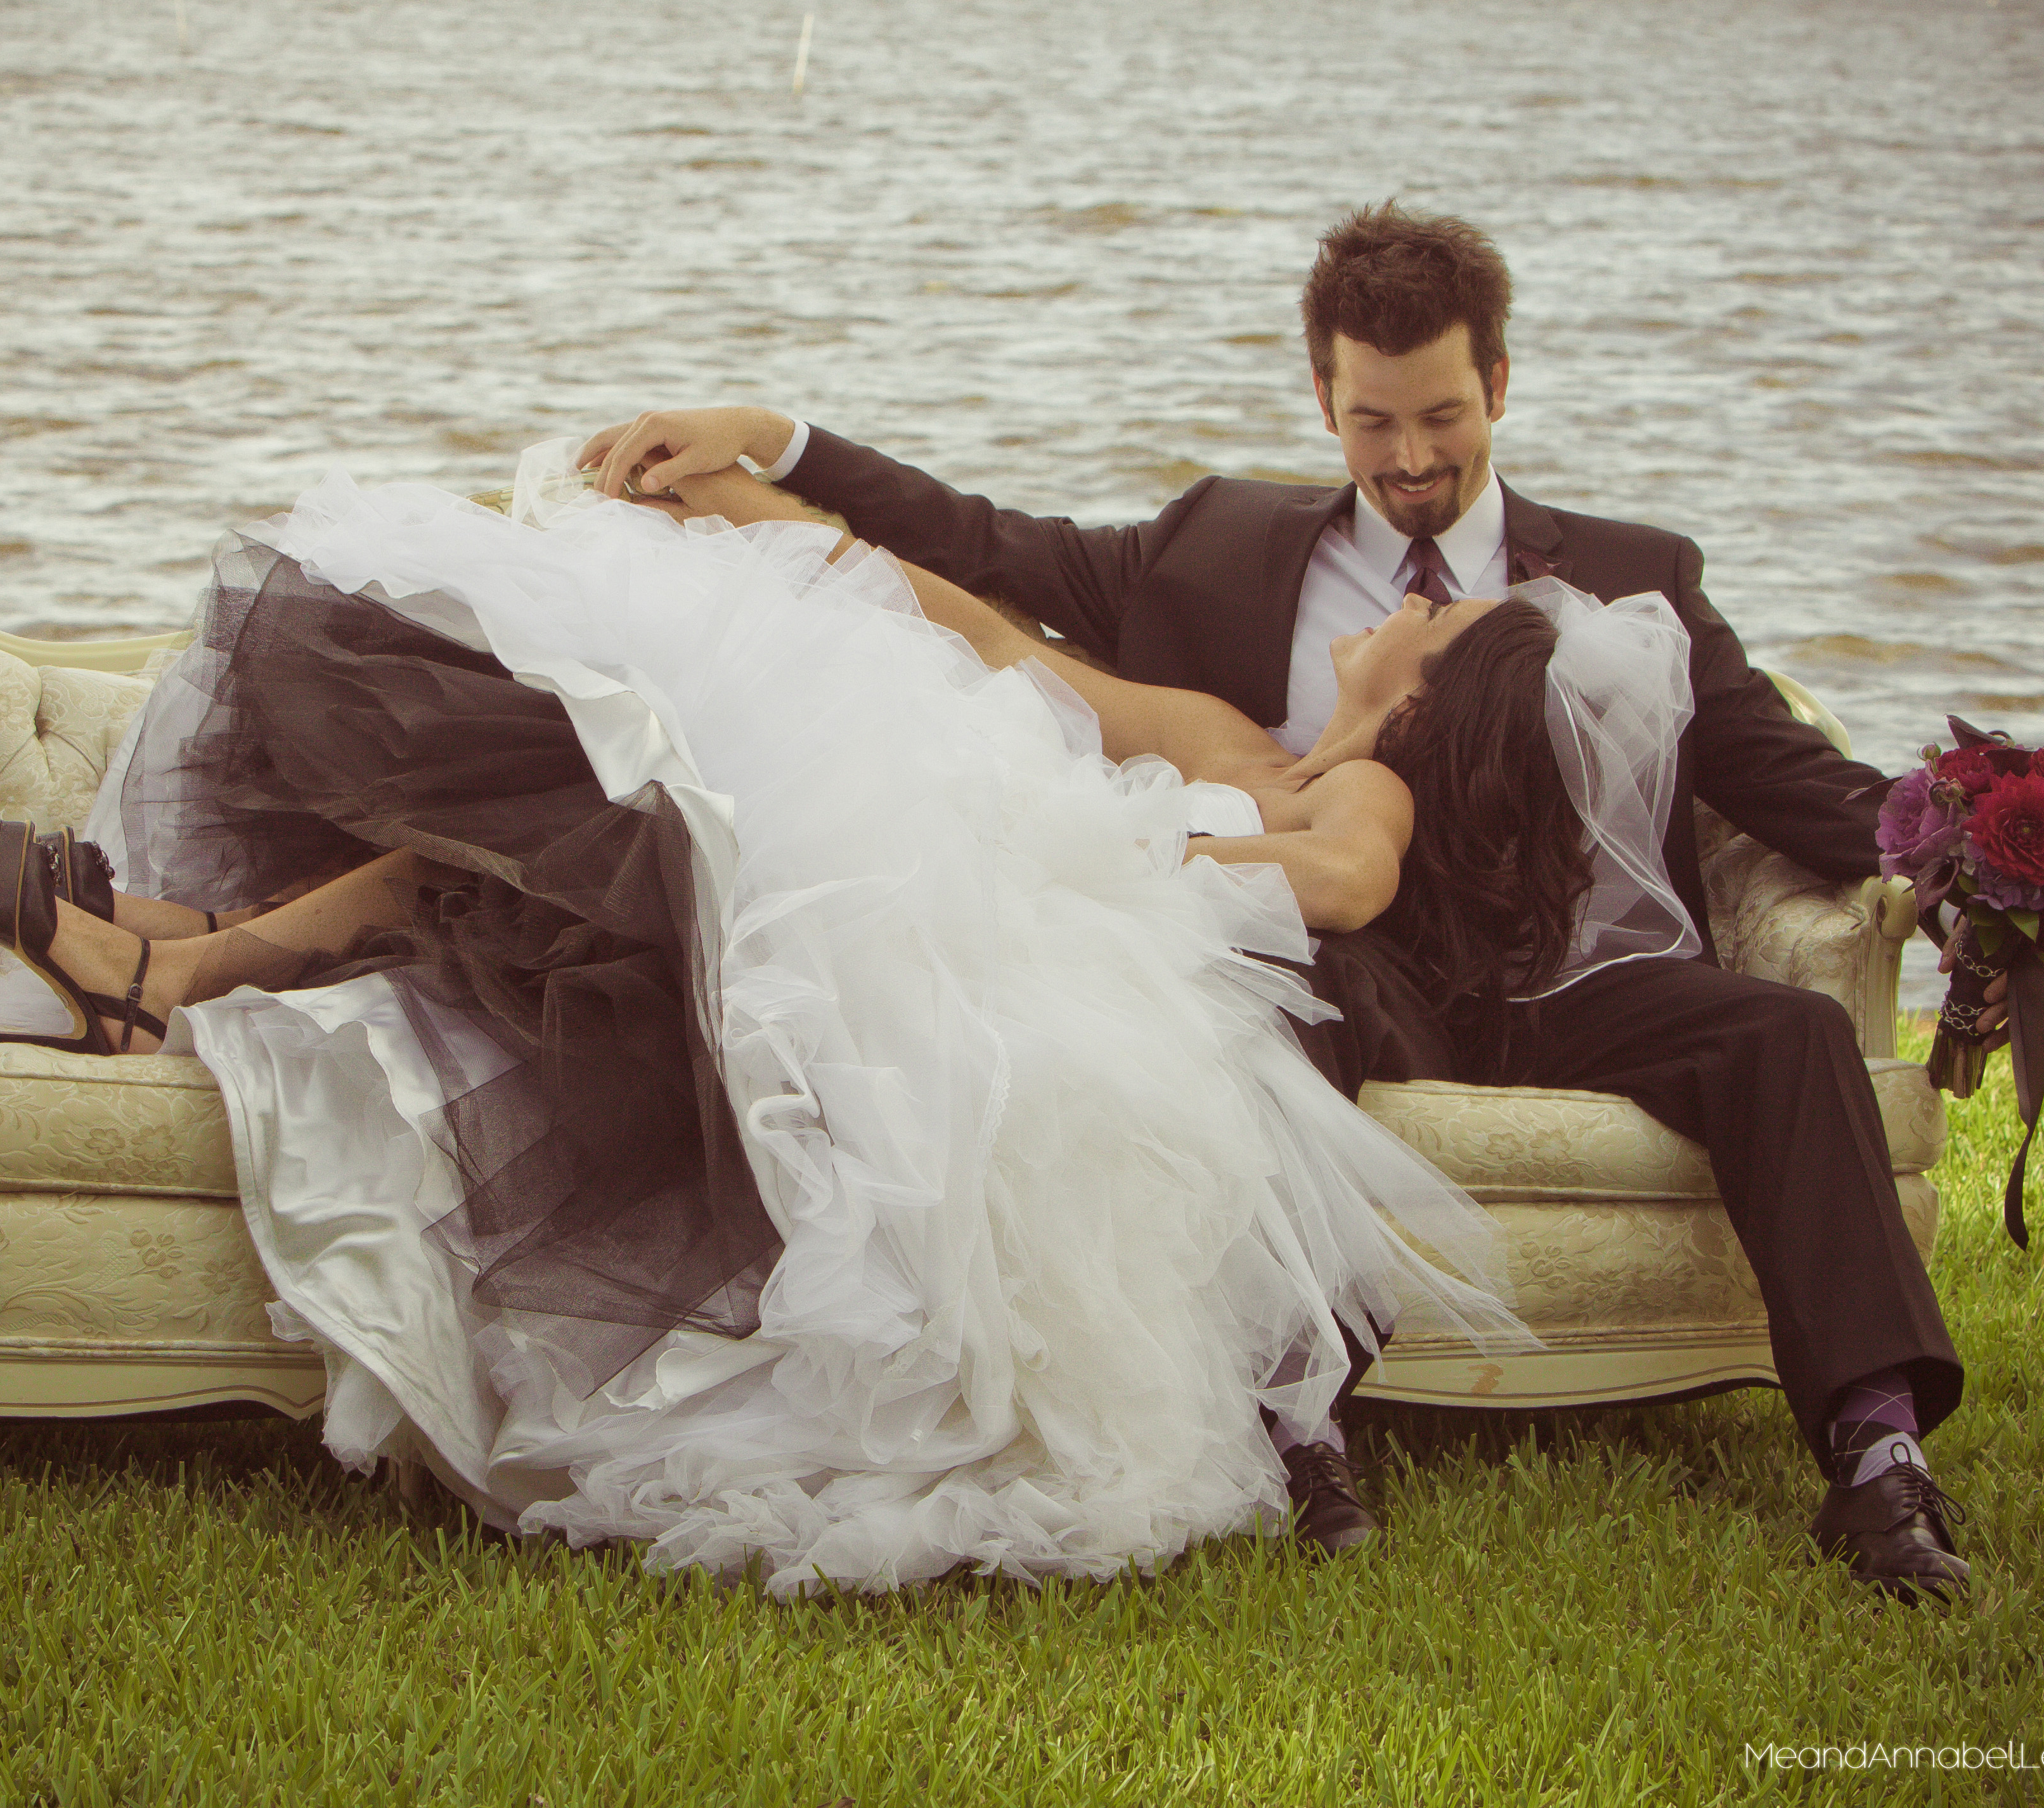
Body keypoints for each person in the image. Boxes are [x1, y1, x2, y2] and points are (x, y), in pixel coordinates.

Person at [581, 202, 1972, 1600]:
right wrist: (781, 444)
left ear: (1499, 382)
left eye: (1442, 414)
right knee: (1267, 1006)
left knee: (1787, 1036)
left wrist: (1973, 867)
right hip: (1366, 958)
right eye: (1374, 423)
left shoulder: (1635, 572)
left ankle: (1875, 1452)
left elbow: (1777, 772)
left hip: (1586, 973)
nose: (1414, 458)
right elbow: (988, 561)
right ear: (1324, 397)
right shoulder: (1215, 549)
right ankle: (1303, 1415)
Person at [0, 448, 1622, 1592]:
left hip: (1015, 935)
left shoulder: (1365, 800)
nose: (1401, 600)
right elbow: (983, 632)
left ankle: (167, 965)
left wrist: (1137, 829)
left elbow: (1328, 893)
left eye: (1433, 617)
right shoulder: (1214, 719)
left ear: (1429, 689)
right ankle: (173, 950)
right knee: (595, 823)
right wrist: (762, 501)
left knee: (638, 836)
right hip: (964, 878)